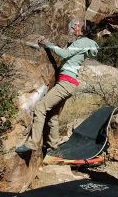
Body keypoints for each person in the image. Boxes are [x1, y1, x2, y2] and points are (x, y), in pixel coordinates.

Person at [16, 20, 99, 156]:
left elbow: (65, 54)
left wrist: (48, 44)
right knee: (53, 116)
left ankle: (32, 144)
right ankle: (54, 148)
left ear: (84, 29)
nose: (74, 26)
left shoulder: (82, 41)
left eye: (78, 26)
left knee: (41, 107)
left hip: (66, 83)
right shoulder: (85, 43)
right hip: (69, 84)